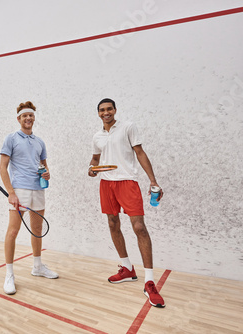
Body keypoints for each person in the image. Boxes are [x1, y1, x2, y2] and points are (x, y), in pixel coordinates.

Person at [88, 98, 165, 308]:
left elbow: (139, 153)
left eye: (109, 109)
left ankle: (149, 281)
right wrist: (91, 168)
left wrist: (153, 180)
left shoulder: (128, 127)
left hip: (127, 183)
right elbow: (95, 159)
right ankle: (127, 268)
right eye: (102, 110)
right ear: (98, 113)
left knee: (139, 227)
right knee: (113, 224)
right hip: (106, 184)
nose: (106, 113)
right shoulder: (97, 136)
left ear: (115, 110)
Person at [0, 101, 59, 295]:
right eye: (24, 116)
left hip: (38, 190)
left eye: (31, 115)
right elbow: (3, 168)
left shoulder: (40, 142)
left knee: (37, 229)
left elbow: (43, 166)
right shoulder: (11, 139)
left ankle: (37, 266)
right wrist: (11, 192)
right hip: (20, 190)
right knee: (13, 231)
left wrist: (47, 174)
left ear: (34, 118)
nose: (28, 118)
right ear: (19, 119)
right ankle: (9, 274)